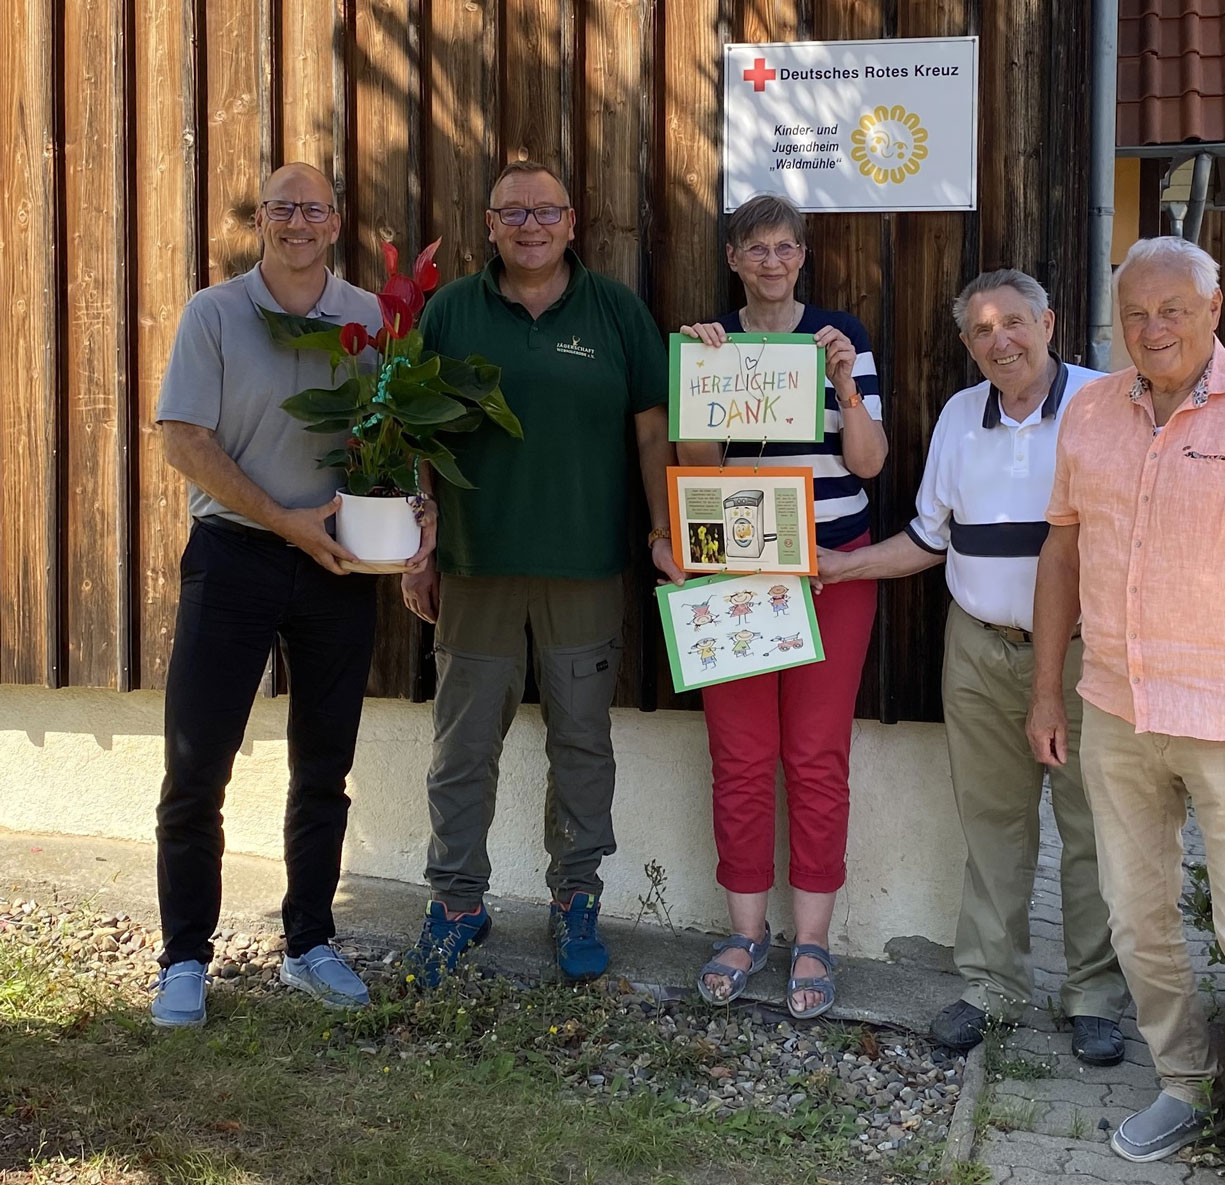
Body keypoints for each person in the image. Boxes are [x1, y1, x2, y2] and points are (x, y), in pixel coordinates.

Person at [1028, 236, 1225, 1185]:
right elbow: (1060, 556)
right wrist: (1047, 687)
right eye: (1135, 313)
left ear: (1214, 309)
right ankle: (1184, 1081)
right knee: (1137, 919)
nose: (1153, 327)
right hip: (1118, 709)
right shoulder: (1090, 411)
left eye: (1172, 309)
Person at [819, 269, 1129, 1063]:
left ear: (1049, 323)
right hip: (979, 646)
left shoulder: (1107, 404)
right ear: (967, 344)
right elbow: (930, 536)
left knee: (1094, 826)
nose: (1002, 341)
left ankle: (1094, 992)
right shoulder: (962, 414)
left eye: (1014, 323)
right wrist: (838, 565)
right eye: (983, 330)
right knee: (993, 824)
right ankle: (993, 985)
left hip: (1088, 652)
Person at [400, 160, 681, 984]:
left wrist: (665, 527)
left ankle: (577, 897)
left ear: (571, 221)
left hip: (586, 567)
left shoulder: (615, 310)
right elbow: (412, 433)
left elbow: (653, 435)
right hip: (476, 568)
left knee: (583, 745)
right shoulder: (450, 311)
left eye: (545, 210)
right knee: (461, 748)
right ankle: (456, 901)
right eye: (512, 211)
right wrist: (421, 538)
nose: (529, 224)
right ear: (489, 225)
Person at [151, 162, 391, 1027]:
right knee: (196, 764)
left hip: (336, 565)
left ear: (336, 221)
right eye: (282, 207)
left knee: (323, 767)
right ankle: (183, 956)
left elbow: (389, 433)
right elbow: (185, 440)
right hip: (235, 555)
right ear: (263, 220)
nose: (298, 221)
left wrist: (415, 510)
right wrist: (285, 520)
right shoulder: (214, 313)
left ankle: (309, 941)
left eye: (313, 208)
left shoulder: (366, 317)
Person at [678, 193, 887, 1019]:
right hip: (737, 571)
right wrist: (700, 377)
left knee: (814, 756)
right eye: (756, 247)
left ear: (803, 256)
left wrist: (845, 384)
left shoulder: (842, 338)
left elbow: (869, 464)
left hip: (832, 574)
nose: (771, 260)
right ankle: (744, 931)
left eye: (785, 247)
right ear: (733, 257)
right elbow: (696, 464)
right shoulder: (709, 341)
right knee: (739, 753)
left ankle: (813, 940)